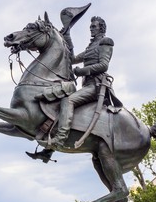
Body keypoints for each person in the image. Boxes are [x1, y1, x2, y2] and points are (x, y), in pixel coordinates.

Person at [48, 16, 114, 149]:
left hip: (96, 86)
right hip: (87, 85)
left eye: (94, 26)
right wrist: (67, 36)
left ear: (101, 28)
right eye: (90, 27)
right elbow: (72, 59)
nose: (91, 29)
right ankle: (49, 146)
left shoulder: (105, 42)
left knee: (68, 101)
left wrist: (82, 71)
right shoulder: (91, 47)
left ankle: (60, 139)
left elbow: (104, 65)